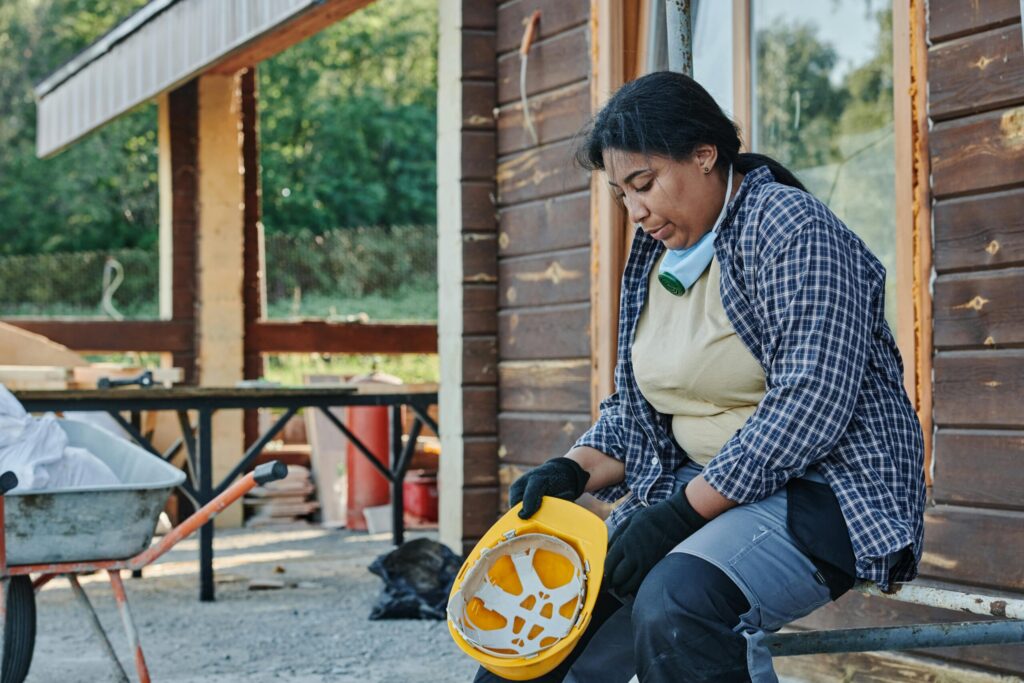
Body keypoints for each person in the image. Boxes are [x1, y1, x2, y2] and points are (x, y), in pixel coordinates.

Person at [472, 71, 925, 683]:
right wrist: (572, 469)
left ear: (706, 155)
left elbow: (810, 403)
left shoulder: (794, 231)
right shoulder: (660, 255)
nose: (635, 211)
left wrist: (681, 514)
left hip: (825, 493)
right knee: (535, 636)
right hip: (698, 493)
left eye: (644, 184)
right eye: (620, 194)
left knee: (677, 604)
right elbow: (638, 409)